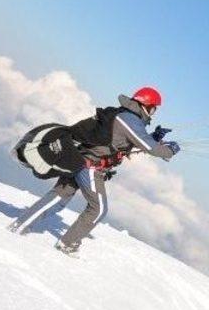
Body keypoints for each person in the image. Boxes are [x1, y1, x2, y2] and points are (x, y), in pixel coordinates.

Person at [10, 87, 180, 255]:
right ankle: (67, 244)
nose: (154, 112)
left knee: (59, 196)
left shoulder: (123, 115)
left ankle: (20, 224)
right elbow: (151, 148)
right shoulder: (130, 120)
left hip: (78, 159)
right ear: (146, 106)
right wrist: (170, 150)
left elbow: (125, 140)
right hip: (90, 166)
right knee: (98, 209)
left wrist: (154, 137)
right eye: (154, 108)